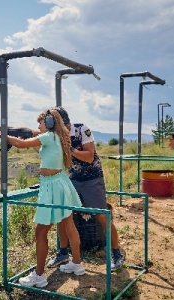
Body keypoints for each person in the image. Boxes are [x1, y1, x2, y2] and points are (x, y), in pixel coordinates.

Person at [0, 108, 85, 288]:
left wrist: (2, 135)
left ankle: (39, 276)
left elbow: (21, 144)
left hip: (51, 186)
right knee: (69, 225)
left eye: (40, 123)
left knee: (40, 232)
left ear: (49, 123)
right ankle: (77, 264)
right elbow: (28, 135)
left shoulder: (48, 137)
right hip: (60, 182)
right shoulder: (60, 137)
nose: (38, 126)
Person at [46, 106, 125, 272]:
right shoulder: (55, 135)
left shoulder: (82, 129)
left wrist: (71, 149)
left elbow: (89, 156)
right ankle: (62, 252)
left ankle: (116, 253)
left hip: (92, 179)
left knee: (103, 216)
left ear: (65, 123)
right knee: (64, 215)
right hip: (73, 179)